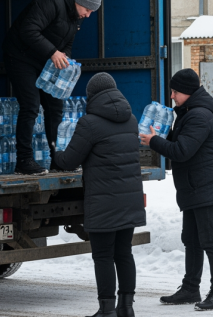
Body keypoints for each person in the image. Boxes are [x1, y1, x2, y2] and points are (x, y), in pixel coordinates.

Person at [51, 73, 145, 317]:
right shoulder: (131, 120)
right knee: (124, 253)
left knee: (103, 255)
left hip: (103, 201)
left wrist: (55, 152)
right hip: (129, 198)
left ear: (92, 96)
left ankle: (106, 310)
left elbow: (70, 160)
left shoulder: (89, 123)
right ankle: (126, 307)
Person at [139, 68, 213, 311]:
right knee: (192, 240)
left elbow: (181, 151)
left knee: (211, 241)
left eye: (175, 92)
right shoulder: (188, 113)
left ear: (188, 92)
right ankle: (191, 288)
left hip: (206, 188)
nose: (172, 96)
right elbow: (180, 147)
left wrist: (154, 141)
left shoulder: (199, 116)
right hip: (193, 188)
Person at [2, 0, 102, 175]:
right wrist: (53, 52)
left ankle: (59, 159)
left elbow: (68, 41)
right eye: (87, 9)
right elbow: (28, 29)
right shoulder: (50, 3)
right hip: (20, 56)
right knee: (31, 105)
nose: (88, 15)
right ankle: (24, 160)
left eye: (92, 12)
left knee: (55, 106)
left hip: (44, 60)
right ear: (78, 0)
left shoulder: (76, 16)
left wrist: (64, 57)